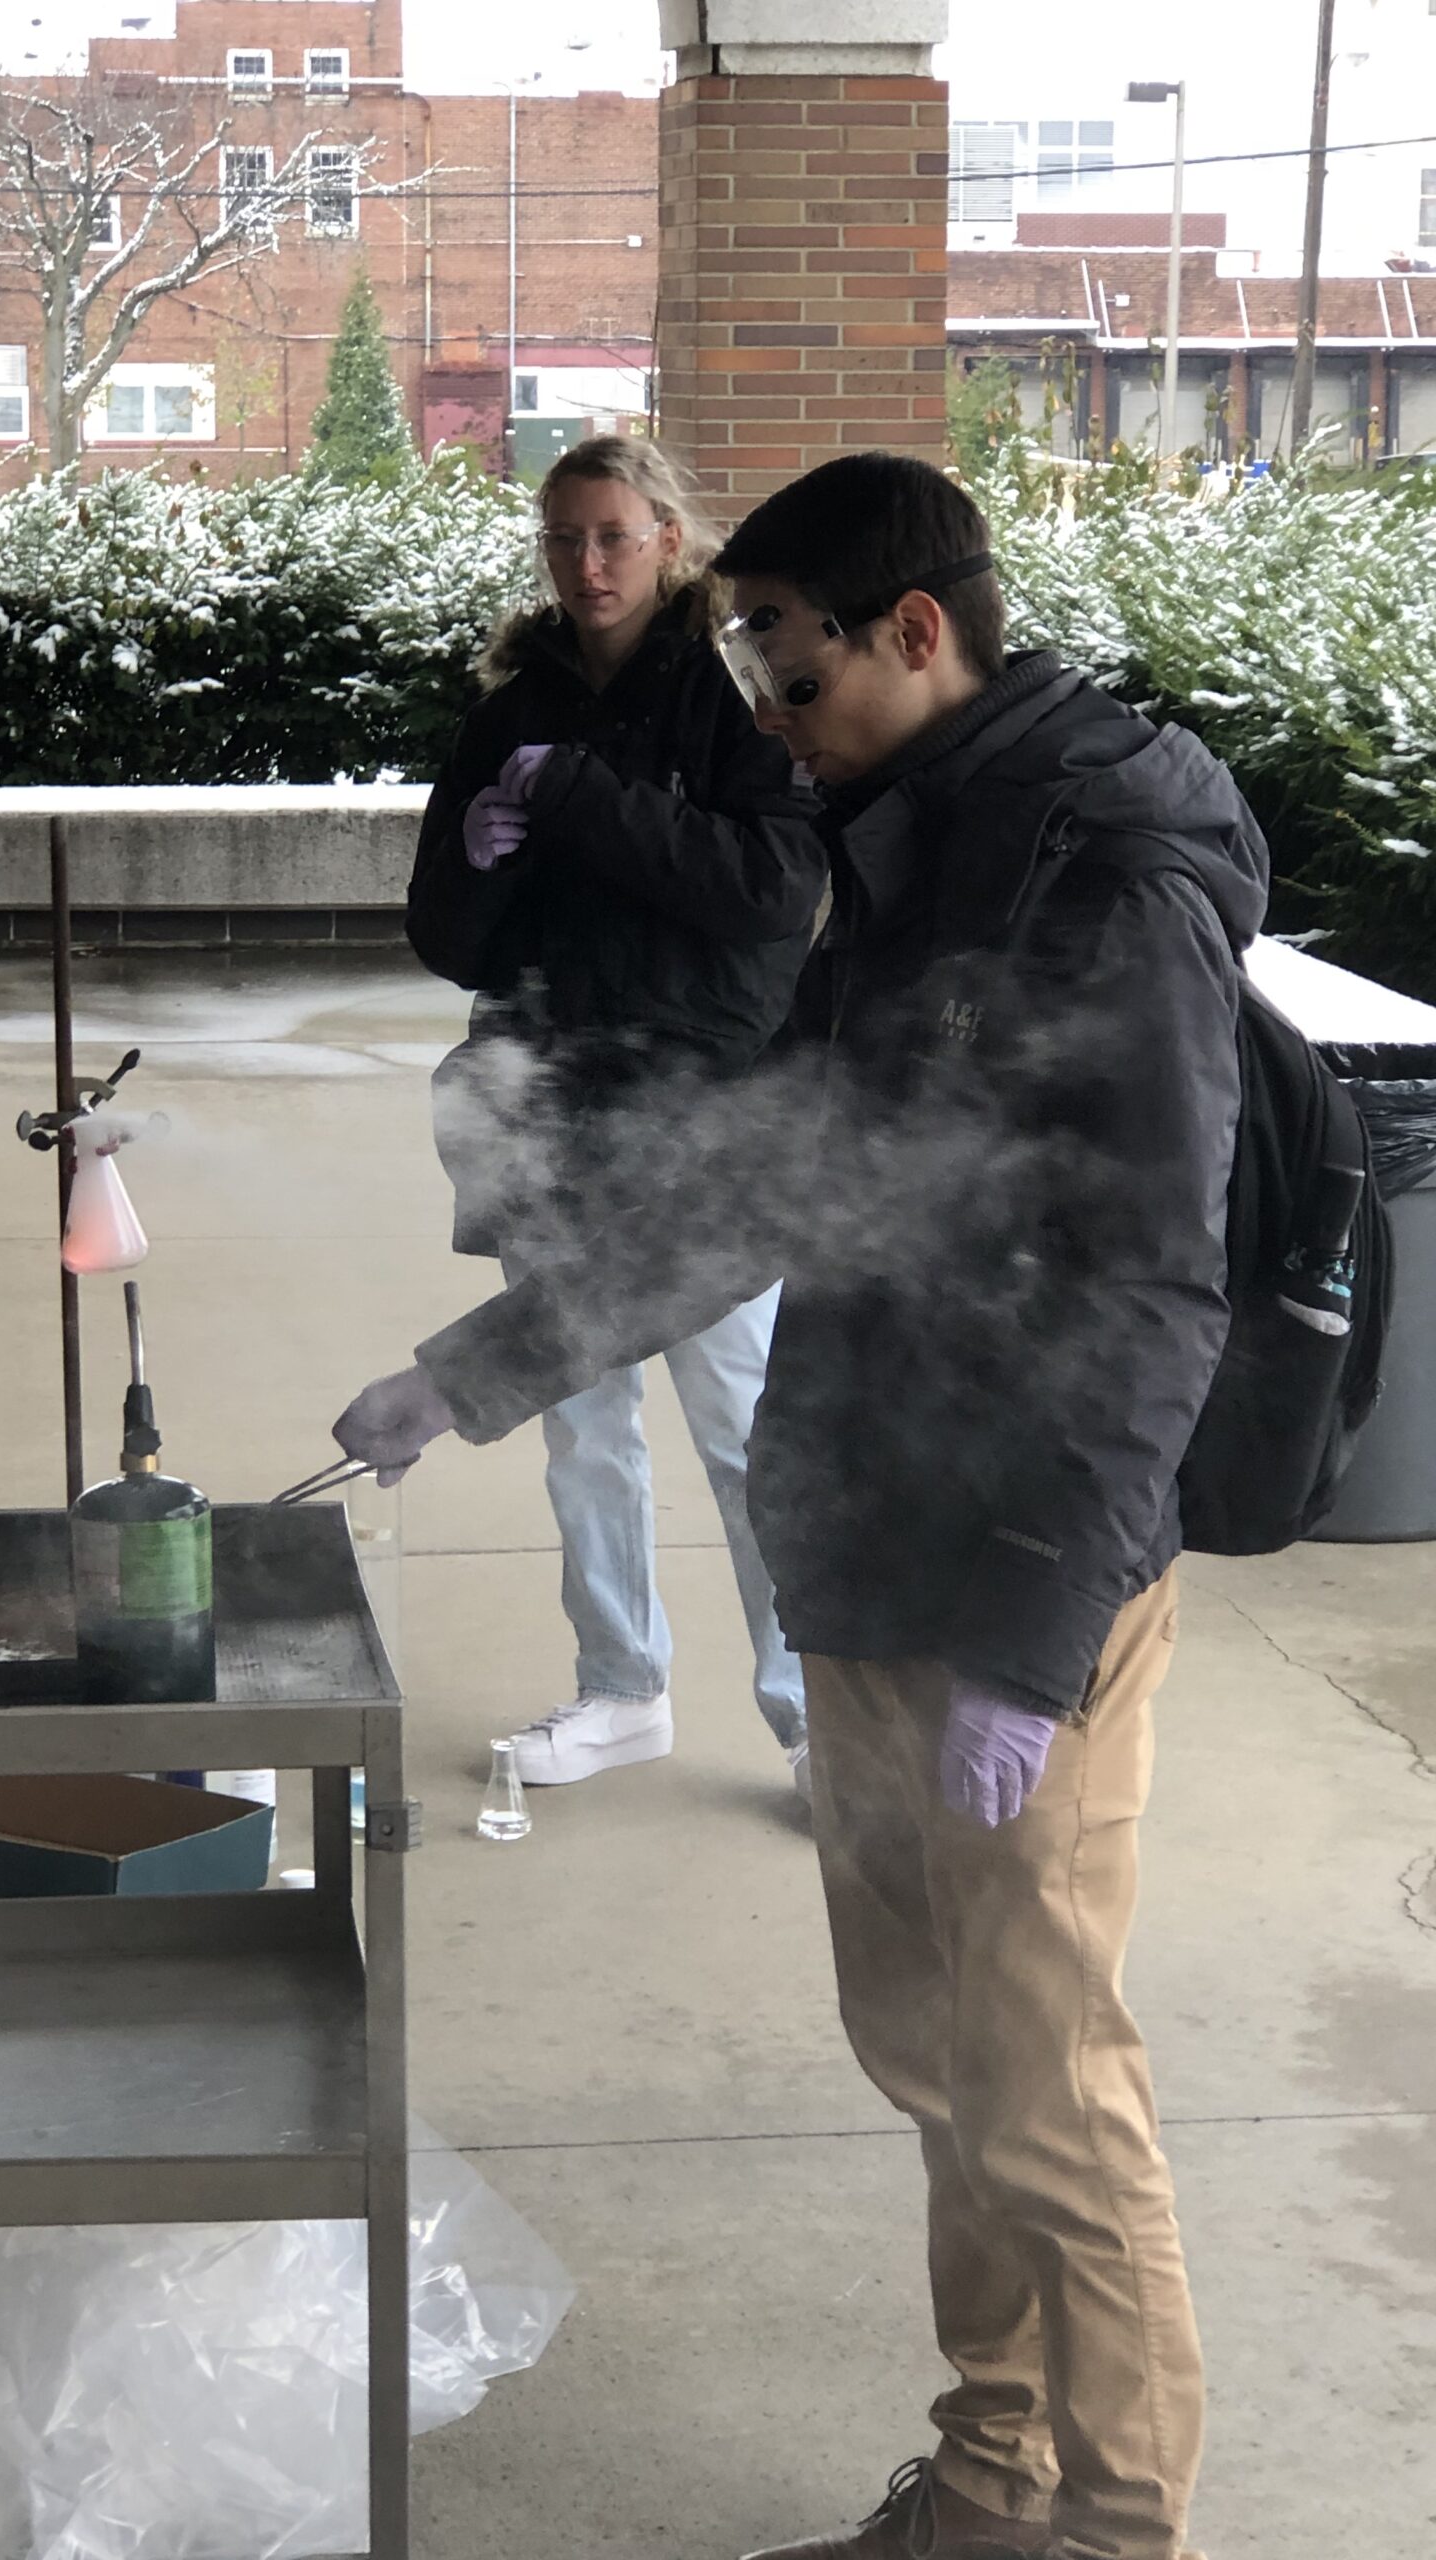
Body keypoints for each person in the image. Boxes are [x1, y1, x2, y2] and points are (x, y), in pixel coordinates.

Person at [336, 450, 1263, 2560]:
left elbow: (1149, 1283)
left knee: (1050, 2090)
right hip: (872, 1537)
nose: (763, 701)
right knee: (939, 2066)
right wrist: (472, 1372)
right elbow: (772, 1184)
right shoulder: (910, 845)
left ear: (917, 630)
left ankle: (1121, 2530)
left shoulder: (1112, 875)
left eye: (788, 654)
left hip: (1029, 1575)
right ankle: (991, 2471)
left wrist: (1035, 1648)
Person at [406, 434, 820, 1795]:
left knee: (740, 1423)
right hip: (544, 1106)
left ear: (669, 540)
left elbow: (771, 892)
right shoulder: (510, 704)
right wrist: (474, 867)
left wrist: (581, 799)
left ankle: (812, 1714)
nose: (588, 565)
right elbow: (449, 936)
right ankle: (620, 1688)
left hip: (699, 1116)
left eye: (614, 537)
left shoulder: (735, 687)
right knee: (578, 1413)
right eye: (565, 539)